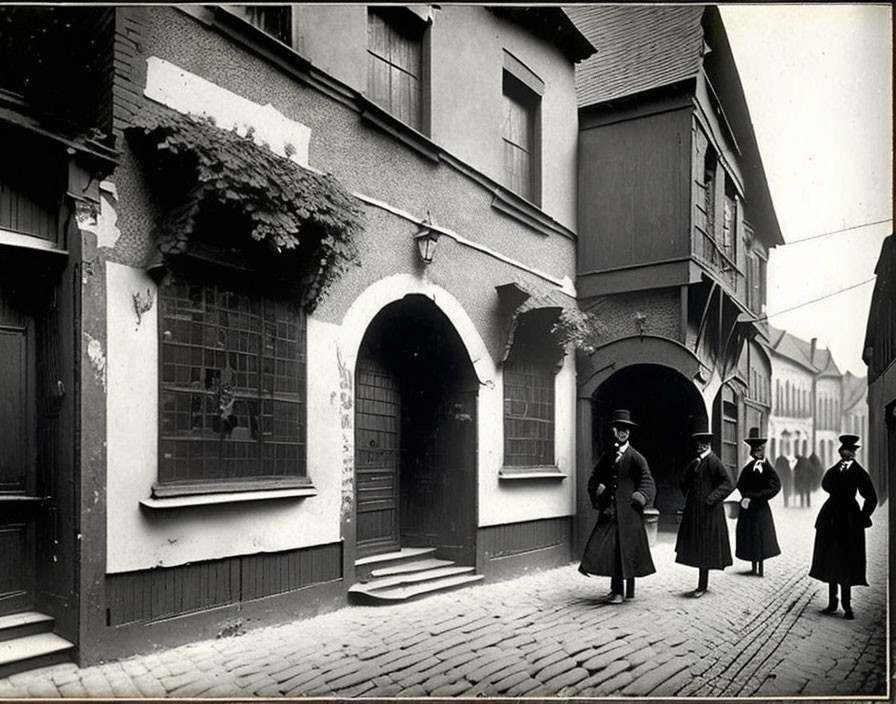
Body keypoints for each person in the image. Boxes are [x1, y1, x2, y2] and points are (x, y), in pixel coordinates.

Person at [579, 409, 656, 604]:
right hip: (610, 512)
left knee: (624, 551)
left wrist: (639, 497)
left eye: (627, 430)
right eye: (620, 429)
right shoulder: (608, 455)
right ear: (614, 430)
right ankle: (615, 588)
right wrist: (598, 490)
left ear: (630, 433)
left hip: (629, 514)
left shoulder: (636, 457)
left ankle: (620, 592)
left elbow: (648, 482)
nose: (623, 432)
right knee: (608, 550)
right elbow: (595, 478)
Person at [809, 434, 878, 620]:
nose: (851, 454)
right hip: (831, 518)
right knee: (831, 560)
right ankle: (832, 603)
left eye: (853, 451)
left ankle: (847, 606)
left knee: (846, 563)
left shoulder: (859, 472)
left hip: (848, 521)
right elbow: (825, 483)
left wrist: (863, 517)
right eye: (848, 450)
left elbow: (871, 497)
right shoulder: (834, 470)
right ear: (841, 452)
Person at [675, 417, 733, 598]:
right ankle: (701, 584)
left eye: (705, 442)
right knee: (697, 547)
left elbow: (727, 484)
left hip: (709, 513)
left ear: (709, 444)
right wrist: (690, 499)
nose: (701, 445)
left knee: (705, 549)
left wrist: (710, 499)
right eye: (699, 442)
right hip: (695, 512)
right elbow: (683, 482)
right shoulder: (695, 463)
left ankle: (702, 585)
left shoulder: (714, 461)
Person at [735, 428, 781, 577]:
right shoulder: (748, 468)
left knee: (761, 535)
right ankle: (753, 564)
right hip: (748, 508)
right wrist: (745, 497)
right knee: (750, 535)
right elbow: (740, 485)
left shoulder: (767, 468)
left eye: (760, 450)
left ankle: (760, 566)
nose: (757, 453)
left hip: (760, 508)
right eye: (755, 450)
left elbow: (776, 486)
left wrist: (759, 496)